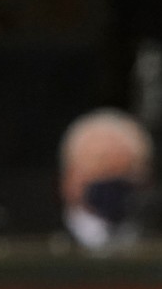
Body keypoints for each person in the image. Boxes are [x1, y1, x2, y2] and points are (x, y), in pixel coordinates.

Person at [58, 108, 154, 252]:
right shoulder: (33, 239)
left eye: (125, 172)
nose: (112, 182)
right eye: (101, 171)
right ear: (70, 179)